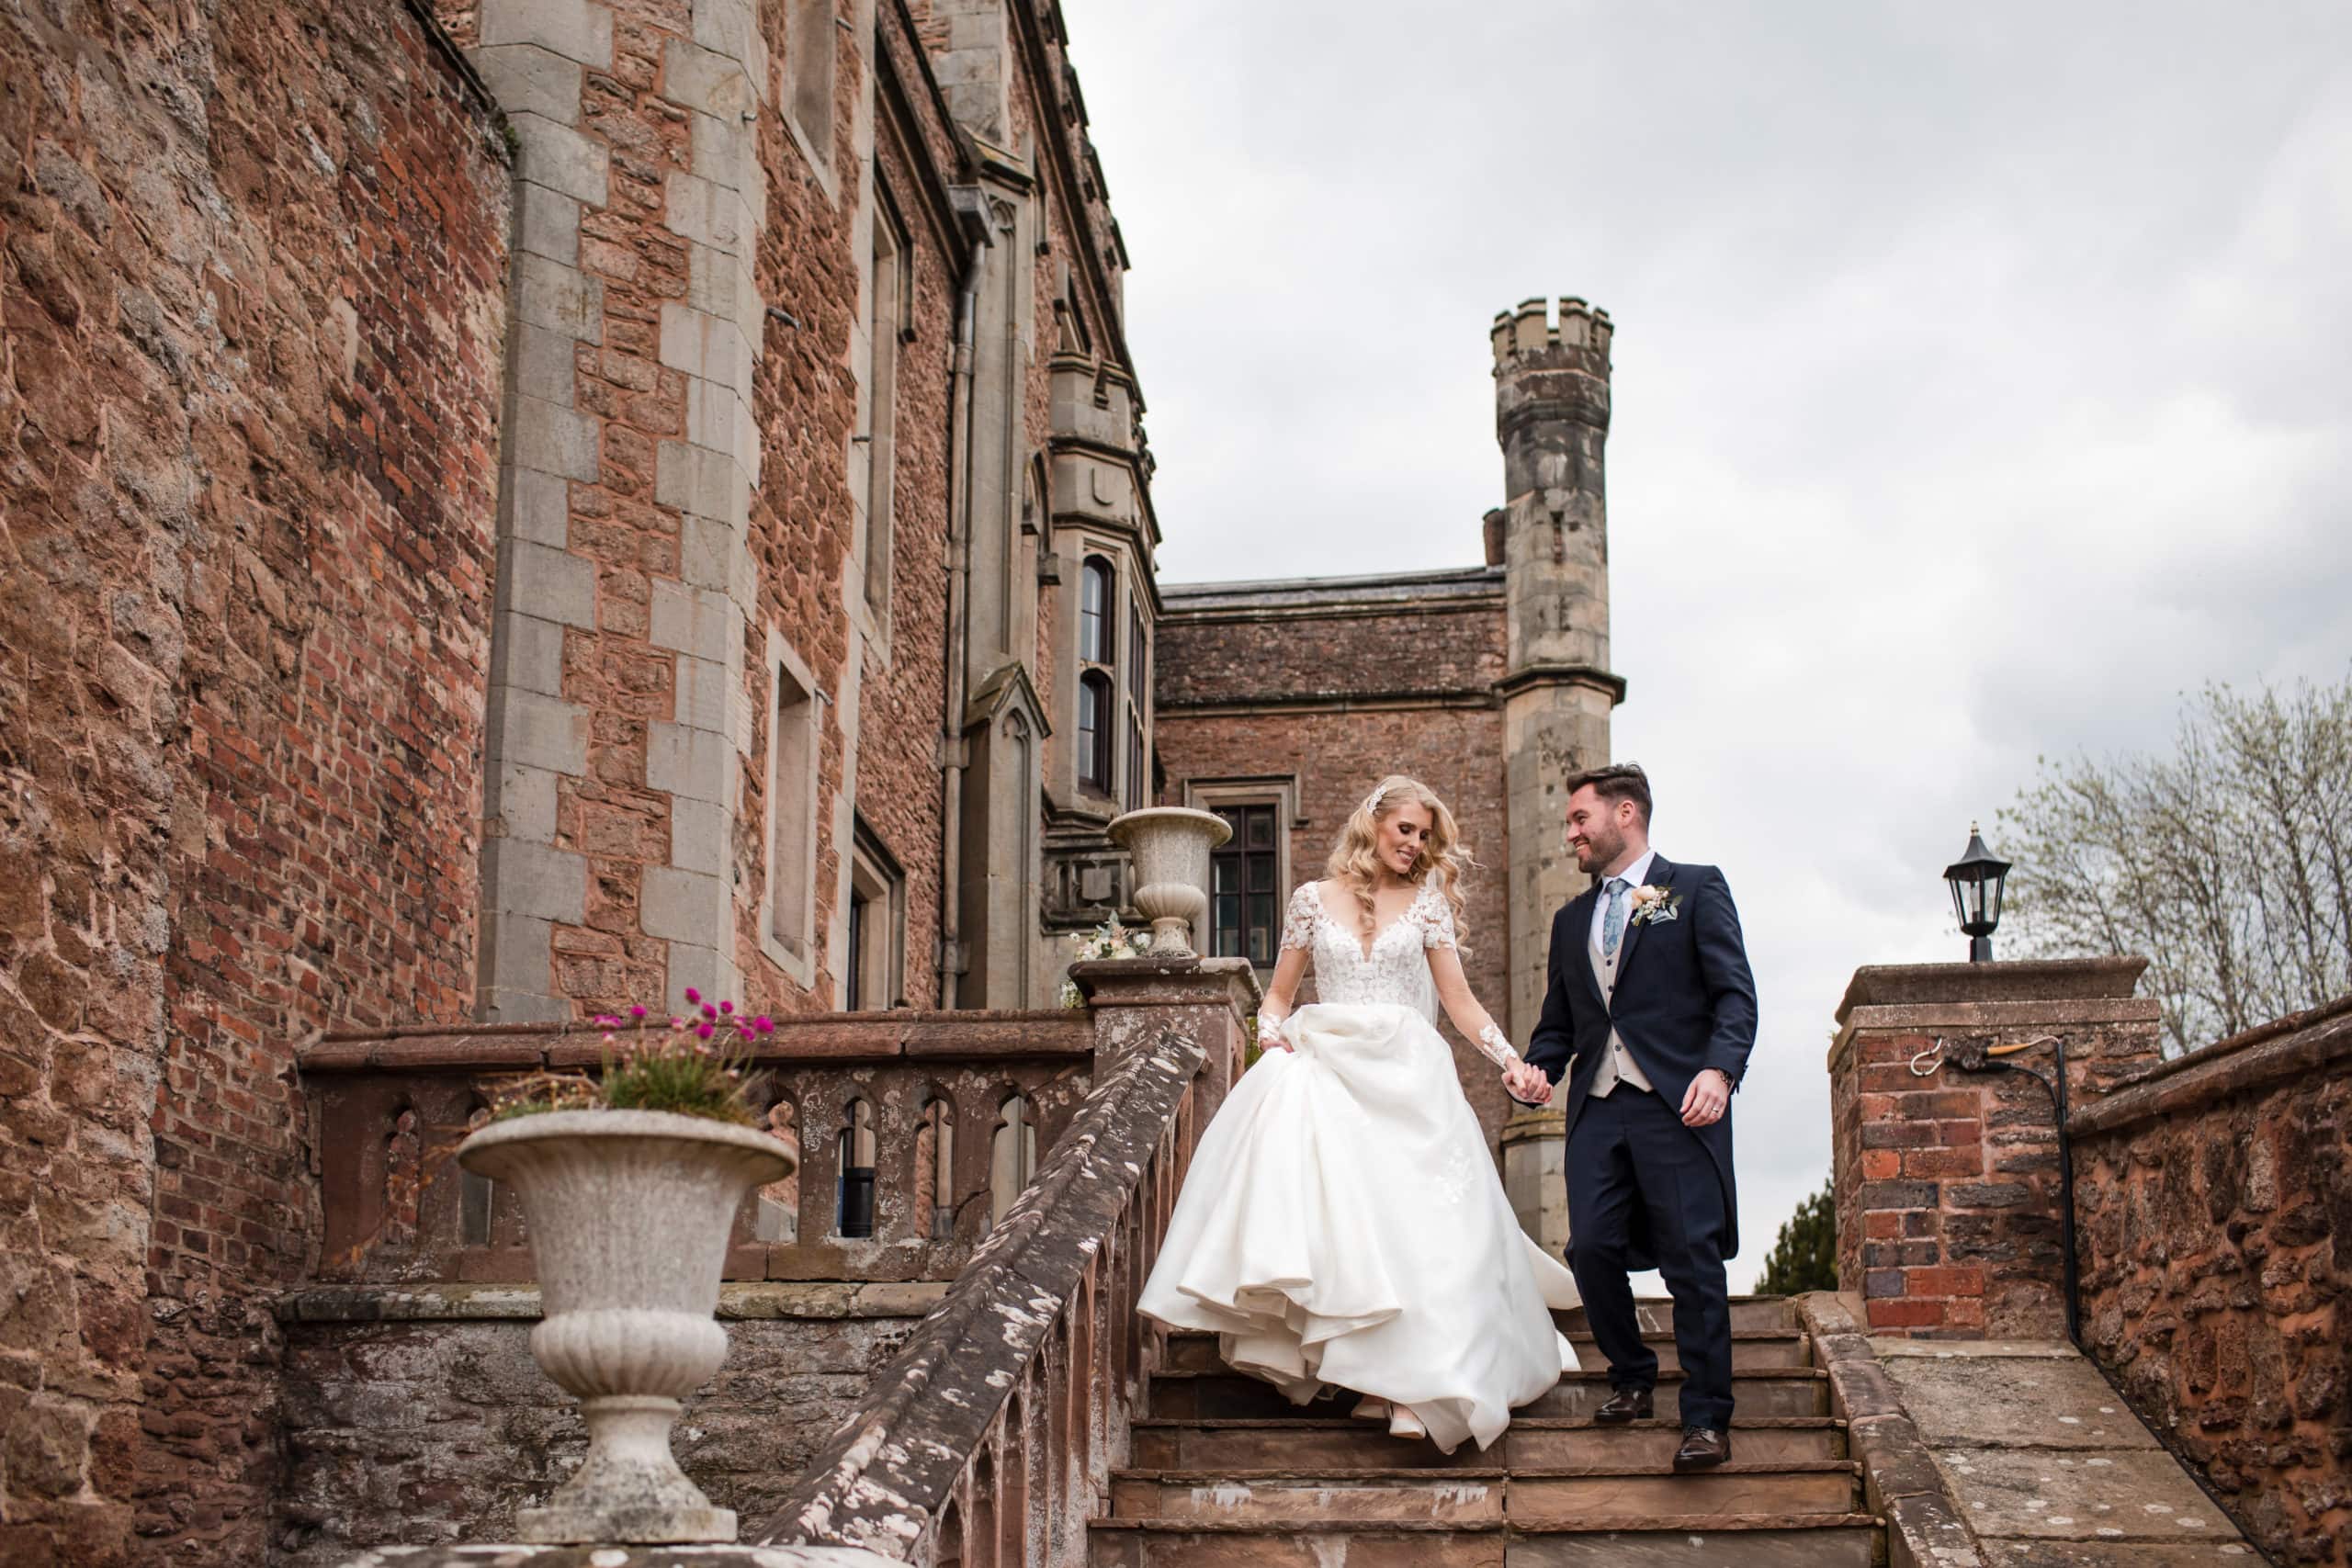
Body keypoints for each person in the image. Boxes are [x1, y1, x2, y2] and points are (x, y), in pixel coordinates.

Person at [1136, 775, 1577, 1453]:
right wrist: (1270, 1034)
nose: (1415, 843)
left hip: (1409, 1075)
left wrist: (1510, 1062)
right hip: (1334, 1070)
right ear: (1373, 823)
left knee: (1415, 1228)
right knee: (1358, 1227)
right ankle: (1373, 1377)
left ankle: (1408, 1388)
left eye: (1426, 835)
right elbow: (1277, 997)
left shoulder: (1428, 905)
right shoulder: (1311, 901)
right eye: (1406, 829)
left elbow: (1458, 1001)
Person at [1521, 762, 1757, 1472]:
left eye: (1579, 819)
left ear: (1626, 814)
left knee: (1692, 1258)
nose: (1571, 835)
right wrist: (1537, 1069)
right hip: (1597, 1106)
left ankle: (1708, 1418)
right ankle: (1631, 1372)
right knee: (1589, 1247)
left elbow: (1735, 996)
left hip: (1676, 1104)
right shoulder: (1571, 921)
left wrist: (1719, 1070)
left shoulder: (1695, 887)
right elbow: (1559, 1023)